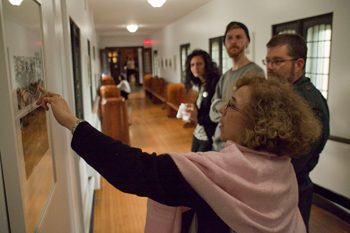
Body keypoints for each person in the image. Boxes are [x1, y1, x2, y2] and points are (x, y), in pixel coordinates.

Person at [36, 72, 321, 232]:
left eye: (231, 105)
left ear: (257, 124)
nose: (221, 109)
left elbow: (136, 170)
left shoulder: (216, 175)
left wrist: (73, 123)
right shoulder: (282, 167)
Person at [264, 33, 330, 231]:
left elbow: (293, 161)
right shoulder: (287, 94)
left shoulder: (308, 103)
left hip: (291, 188)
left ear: (299, 64)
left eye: (277, 61)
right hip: (276, 187)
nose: (269, 67)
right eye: (267, 61)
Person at [209, 21, 264, 152]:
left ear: (247, 42)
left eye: (239, 37)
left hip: (239, 150)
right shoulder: (225, 76)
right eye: (229, 38)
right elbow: (213, 112)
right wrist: (230, 107)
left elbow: (249, 114)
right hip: (217, 145)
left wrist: (221, 105)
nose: (234, 41)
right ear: (225, 43)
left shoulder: (255, 73)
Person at [183, 49, 221, 152]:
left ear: (207, 65)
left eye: (199, 64)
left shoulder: (215, 83)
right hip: (198, 132)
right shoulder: (201, 84)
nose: (195, 68)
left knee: (198, 167)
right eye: (192, 65)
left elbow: (218, 113)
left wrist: (198, 117)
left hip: (209, 135)